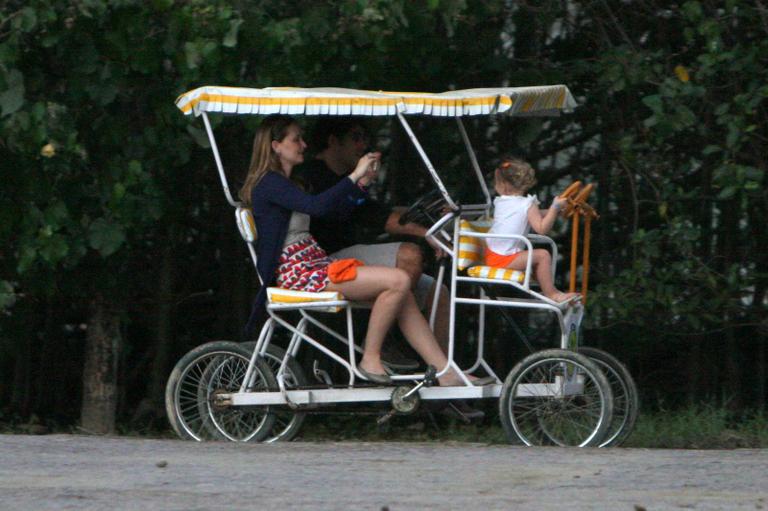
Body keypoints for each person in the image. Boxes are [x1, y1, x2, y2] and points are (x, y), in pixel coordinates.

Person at [240, 114, 487, 386]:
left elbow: (339, 209)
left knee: (401, 291)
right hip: (298, 273)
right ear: (276, 145)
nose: (304, 144)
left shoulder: (288, 183)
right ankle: (371, 358)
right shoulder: (269, 183)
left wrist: (361, 184)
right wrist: (355, 175)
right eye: (296, 139)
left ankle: (445, 371)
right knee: (399, 280)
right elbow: (318, 208)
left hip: (315, 265)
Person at [294, 118, 451, 354]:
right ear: (333, 141)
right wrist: (426, 232)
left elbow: (376, 212)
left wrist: (432, 216)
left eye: (365, 139)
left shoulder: (347, 177)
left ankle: (440, 370)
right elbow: (377, 218)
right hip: (326, 263)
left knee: (436, 292)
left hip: (350, 259)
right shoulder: (311, 176)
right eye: (356, 138)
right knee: (409, 255)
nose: (362, 146)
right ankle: (380, 343)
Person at [486, 158, 580, 303]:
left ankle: (547, 288)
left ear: (504, 186)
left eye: (496, 183)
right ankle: (551, 294)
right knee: (542, 255)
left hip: (493, 256)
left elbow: (529, 215)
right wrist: (554, 209)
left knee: (536, 256)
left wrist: (554, 211)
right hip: (503, 259)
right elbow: (542, 229)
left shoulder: (501, 201)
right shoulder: (526, 204)